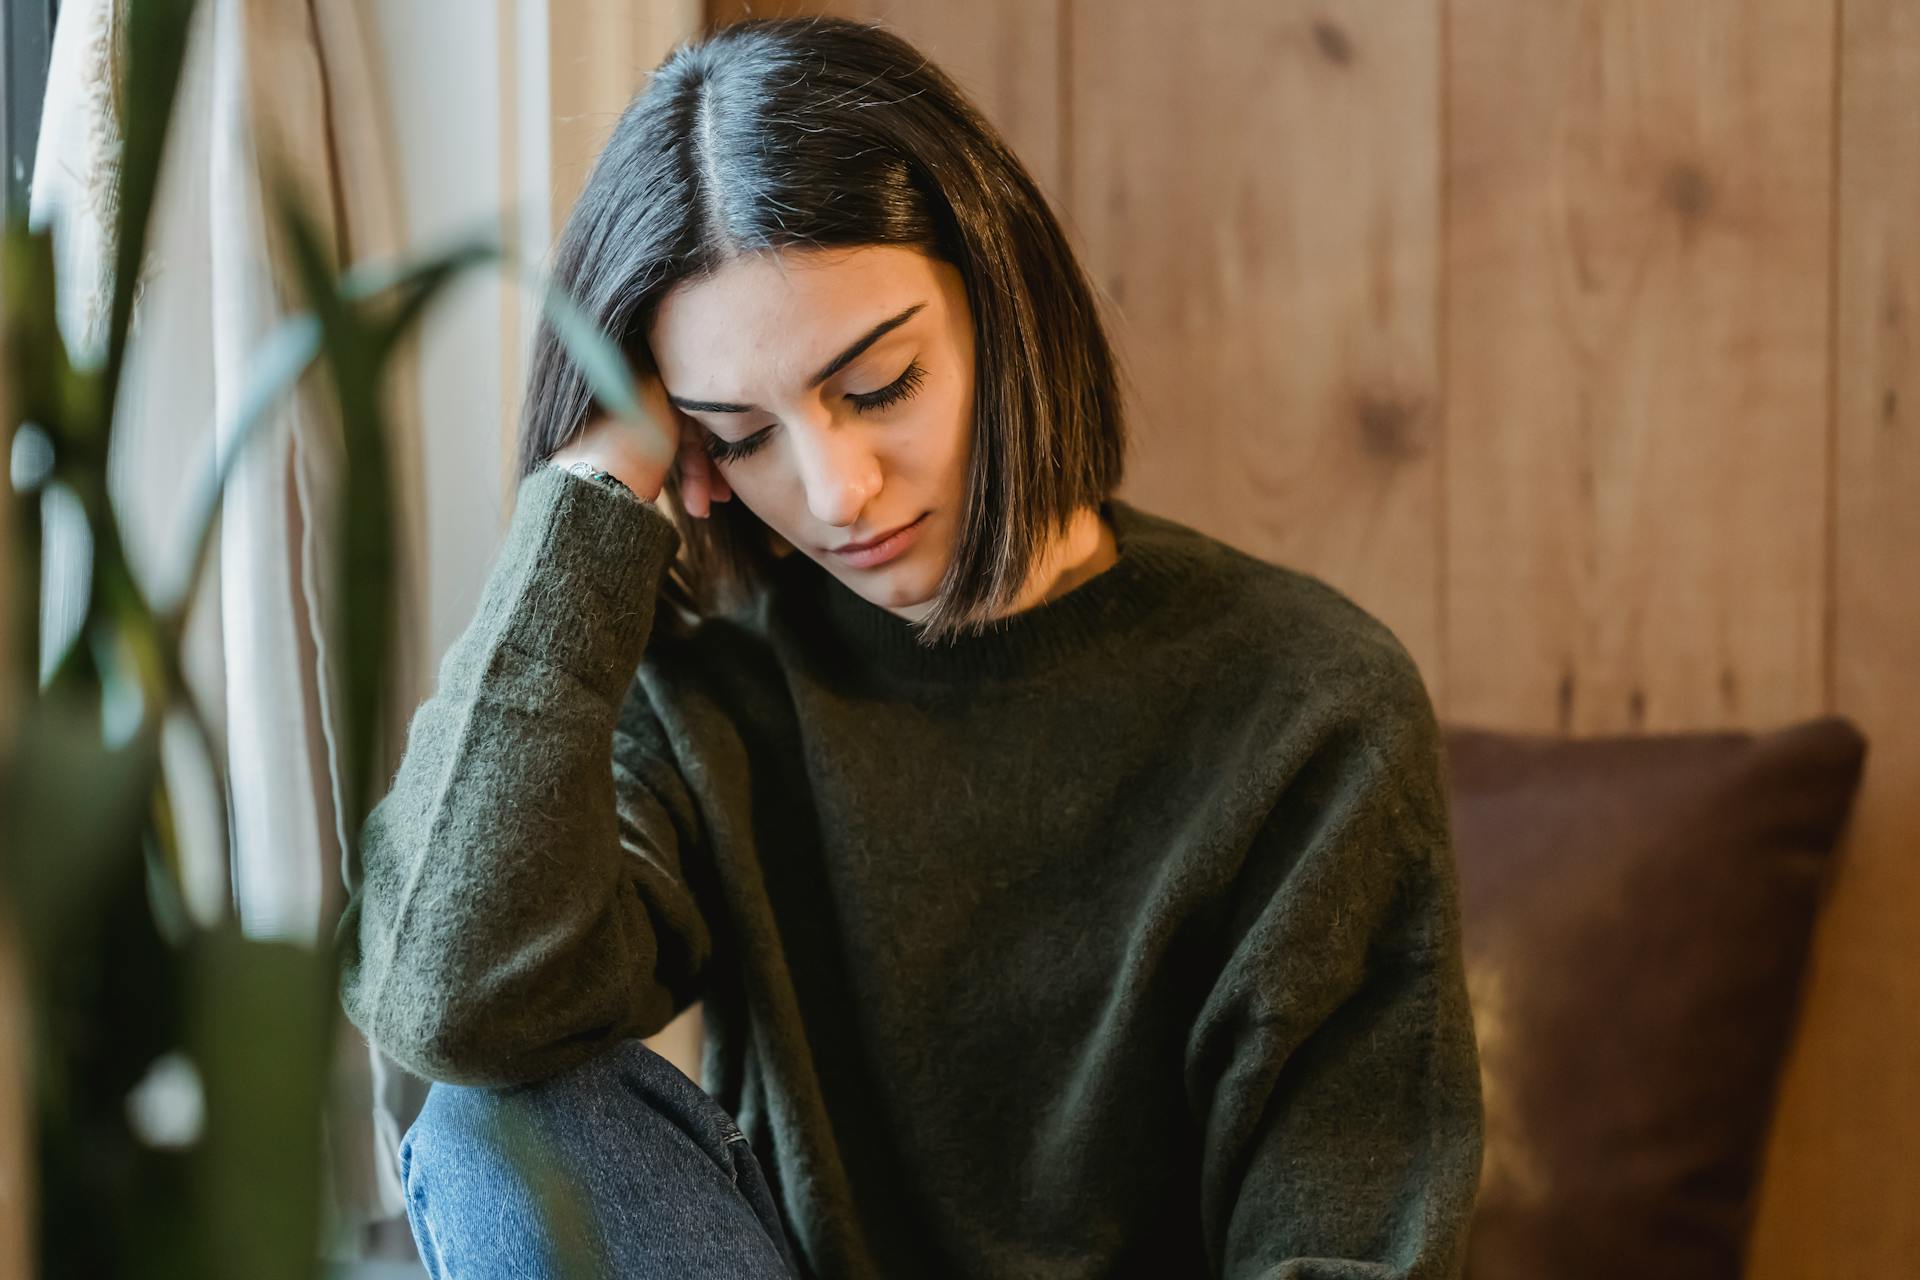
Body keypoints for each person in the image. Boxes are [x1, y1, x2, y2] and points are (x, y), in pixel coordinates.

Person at [335, 14, 1484, 1279]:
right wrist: (594, 498)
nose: (838, 492)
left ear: (1003, 302)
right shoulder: (720, 681)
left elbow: (1348, 1250)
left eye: (877, 386)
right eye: (741, 434)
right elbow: (450, 995)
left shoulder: (1313, 705)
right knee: (501, 1108)